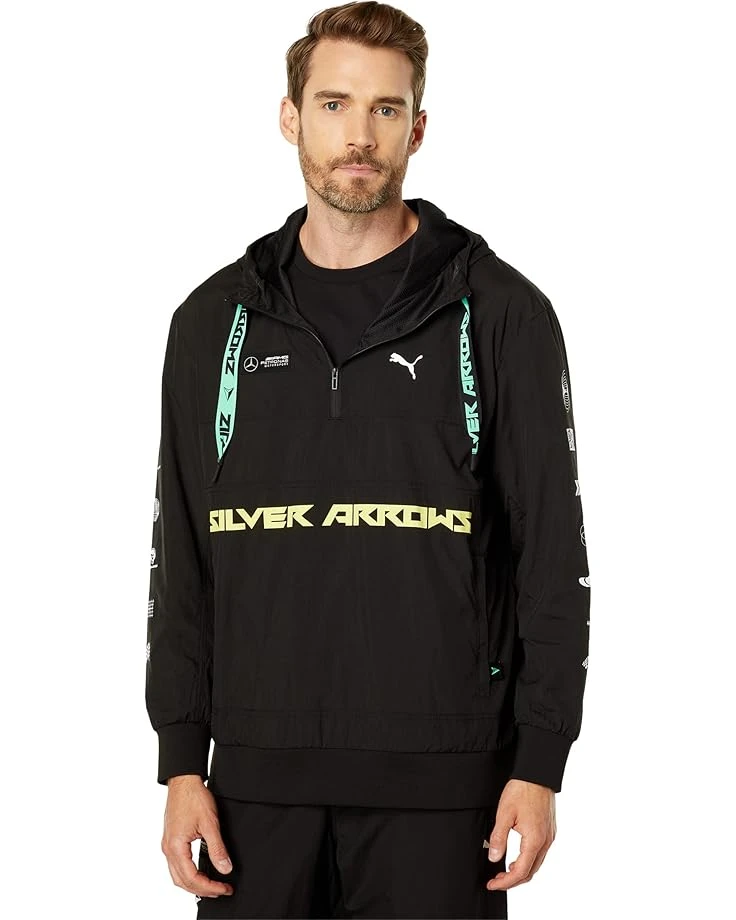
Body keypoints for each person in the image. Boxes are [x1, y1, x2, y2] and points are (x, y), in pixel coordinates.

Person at [144, 2, 591, 917]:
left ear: (417, 129)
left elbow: (552, 555)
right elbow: (182, 556)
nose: (360, 135)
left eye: (386, 109)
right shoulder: (211, 323)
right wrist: (183, 762)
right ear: (290, 117)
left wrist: (541, 762)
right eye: (335, 104)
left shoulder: (503, 315)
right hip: (253, 790)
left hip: (447, 786)